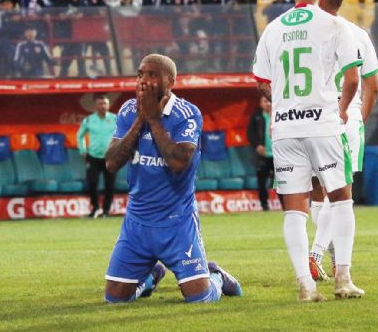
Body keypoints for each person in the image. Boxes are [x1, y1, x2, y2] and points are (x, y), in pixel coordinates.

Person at [252, 0, 363, 302]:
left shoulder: (272, 28)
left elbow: (262, 83)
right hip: (323, 125)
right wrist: (342, 109)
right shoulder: (334, 25)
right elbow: (352, 77)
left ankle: (305, 285)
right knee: (341, 200)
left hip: (285, 130)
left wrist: (283, 103)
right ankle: (342, 279)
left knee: (294, 211)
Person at [103, 54, 241, 303]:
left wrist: (154, 119)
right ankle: (150, 277)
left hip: (177, 222)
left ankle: (217, 276)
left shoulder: (187, 114)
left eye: (152, 75)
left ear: (171, 81)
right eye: (140, 74)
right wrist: (140, 121)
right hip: (137, 222)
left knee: (200, 299)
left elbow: (178, 162)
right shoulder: (128, 110)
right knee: (114, 299)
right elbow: (112, 162)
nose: (144, 80)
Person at [307, 0, 378, 282]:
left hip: (308, 119)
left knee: (317, 192)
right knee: (341, 194)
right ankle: (317, 252)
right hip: (343, 117)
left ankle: (333, 258)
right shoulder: (357, 34)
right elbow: (371, 87)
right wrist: (355, 117)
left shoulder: (302, 33)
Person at [77, 95, 117, 218]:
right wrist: (83, 150)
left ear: (108, 105)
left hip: (110, 157)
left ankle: (106, 210)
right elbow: (80, 135)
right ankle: (95, 208)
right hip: (93, 156)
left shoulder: (115, 119)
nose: (103, 106)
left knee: (109, 185)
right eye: (100, 104)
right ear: (95, 106)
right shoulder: (89, 120)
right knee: (92, 183)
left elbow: (124, 135)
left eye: (105, 103)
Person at [79, 0, 112, 76]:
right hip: (85, 30)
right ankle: (82, 72)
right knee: (82, 52)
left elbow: (104, 8)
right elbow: (84, 11)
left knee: (104, 51)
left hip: (98, 29)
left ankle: (109, 71)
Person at [247, 96, 274, 212]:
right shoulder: (256, 116)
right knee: (262, 181)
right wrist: (257, 145)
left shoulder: (278, 114)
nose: (267, 103)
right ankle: (264, 205)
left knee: (282, 181)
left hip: (278, 155)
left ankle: (285, 204)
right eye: (265, 101)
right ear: (260, 103)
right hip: (263, 156)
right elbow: (250, 133)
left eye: (269, 101)